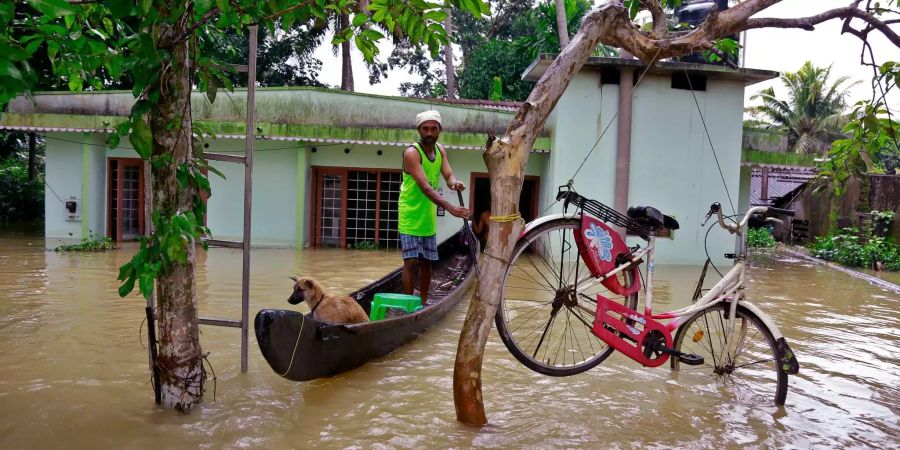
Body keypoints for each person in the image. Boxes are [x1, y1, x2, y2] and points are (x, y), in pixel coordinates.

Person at [399, 110, 469, 305]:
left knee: (427, 262)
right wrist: (451, 208)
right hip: (410, 214)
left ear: (440, 130)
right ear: (419, 130)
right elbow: (426, 188)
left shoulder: (440, 150)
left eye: (433, 128)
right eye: (425, 129)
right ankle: (407, 303)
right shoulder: (412, 153)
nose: (429, 132)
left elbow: (448, 175)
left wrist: (455, 183)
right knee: (411, 262)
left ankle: (422, 302)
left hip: (428, 215)